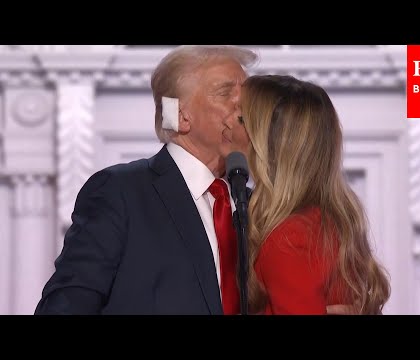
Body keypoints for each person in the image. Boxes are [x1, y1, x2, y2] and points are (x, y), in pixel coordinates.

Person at [34, 45, 257, 315]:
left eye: (246, 94)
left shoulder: (258, 205)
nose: (243, 105)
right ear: (180, 115)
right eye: (225, 93)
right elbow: (66, 307)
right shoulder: (120, 192)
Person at [231, 74, 391, 315]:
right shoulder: (329, 222)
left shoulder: (288, 238)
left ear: (268, 144)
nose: (228, 125)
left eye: (242, 120)